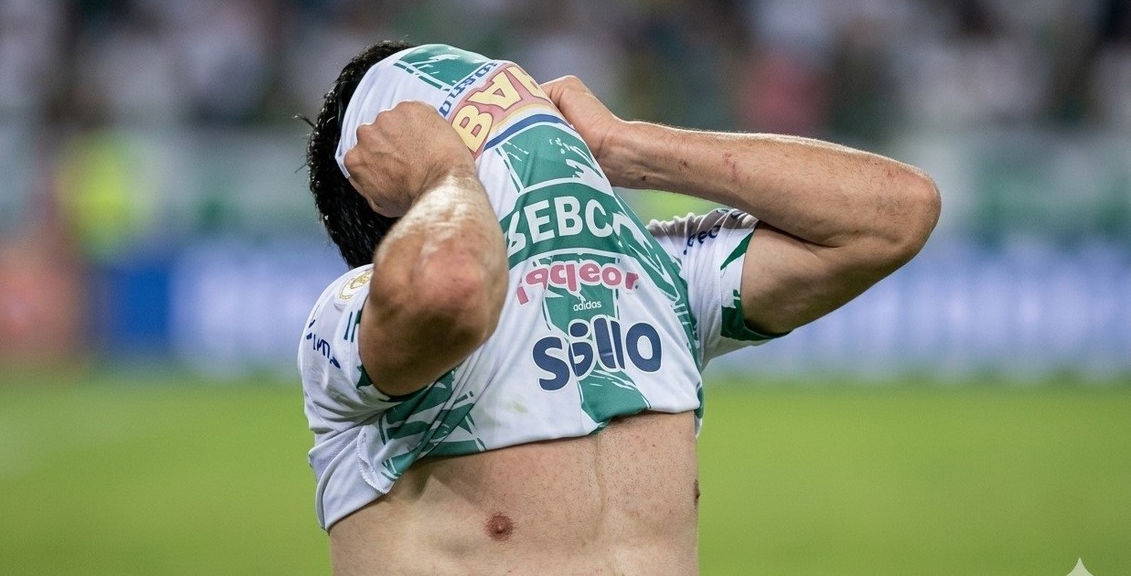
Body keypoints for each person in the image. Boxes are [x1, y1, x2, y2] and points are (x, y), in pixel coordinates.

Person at [298, 41, 940, 575]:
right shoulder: (352, 320)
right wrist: (442, 171)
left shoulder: (658, 281)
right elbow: (451, 287)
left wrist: (631, 148)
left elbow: (899, 213)